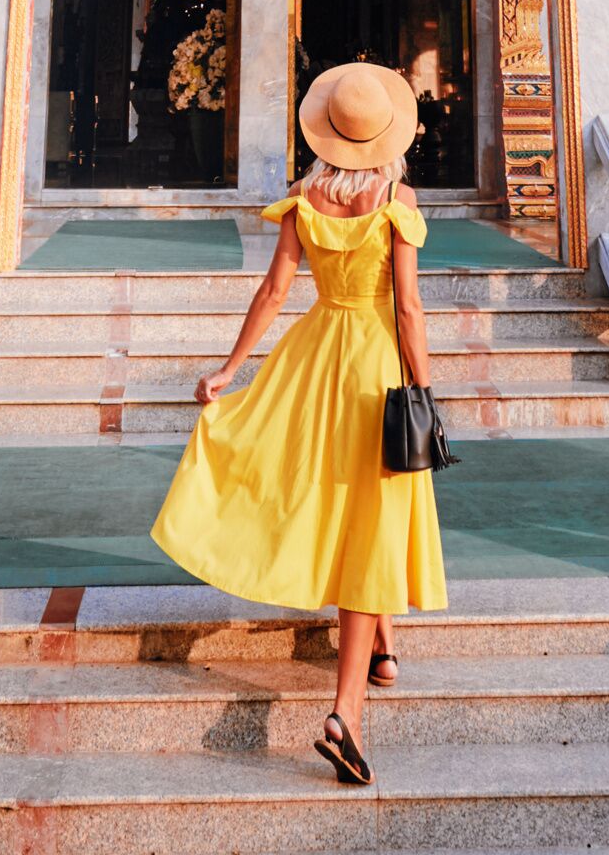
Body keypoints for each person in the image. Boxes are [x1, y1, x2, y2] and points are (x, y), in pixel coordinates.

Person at [150, 59, 446, 788]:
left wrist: (230, 368)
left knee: (333, 502)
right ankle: (345, 710)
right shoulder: (396, 200)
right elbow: (407, 309)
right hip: (375, 364)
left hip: (312, 358)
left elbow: (275, 290)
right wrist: (426, 388)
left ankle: (381, 651)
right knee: (371, 520)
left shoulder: (304, 197)